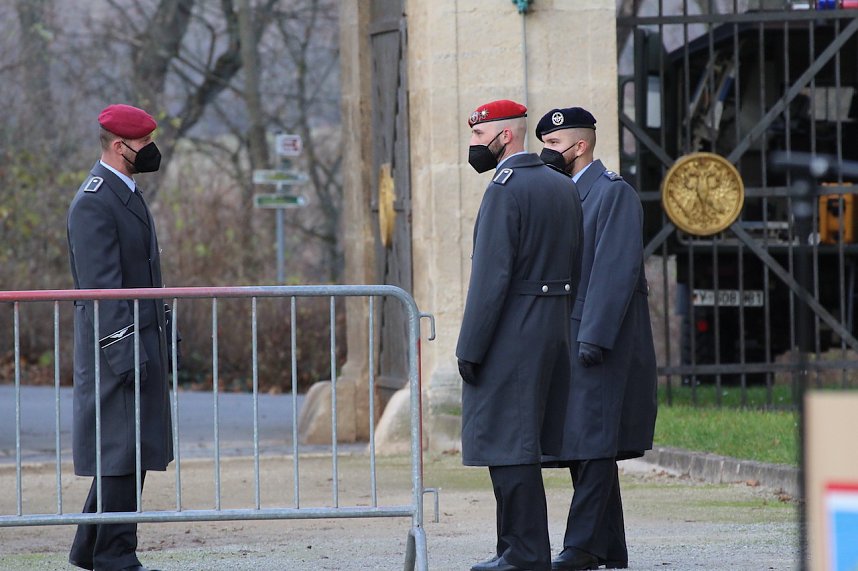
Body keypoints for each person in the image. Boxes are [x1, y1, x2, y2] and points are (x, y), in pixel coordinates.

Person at [457, 99, 584, 571]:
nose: (474, 146)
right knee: (524, 445)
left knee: (507, 446)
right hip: (553, 327)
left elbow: (490, 280)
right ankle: (518, 549)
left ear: (504, 136)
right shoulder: (561, 185)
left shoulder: (504, 189)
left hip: (511, 331)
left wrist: (469, 349)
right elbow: (576, 260)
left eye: (477, 137)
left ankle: (522, 552)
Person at [535, 107, 658, 571]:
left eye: (552, 145)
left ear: (578, 145)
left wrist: (595, 337)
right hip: (565, 336)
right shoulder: (560, 193)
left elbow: (615, 269)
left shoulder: (613, 194)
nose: (546, 154)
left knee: (593, 442)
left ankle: (582, 546)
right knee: (583, 441)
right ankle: (609, 547)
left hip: (599, 338)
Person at [67, 103, 173, 571]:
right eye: (144, 143)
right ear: (119, 146)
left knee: (130, 450)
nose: (152, 150)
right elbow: (102, 289)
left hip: (139, 341)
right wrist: (126, 353)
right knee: (120, 452)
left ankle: (90, 550)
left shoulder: (124, 191)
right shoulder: (95, 199)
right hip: (117, 347)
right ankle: (116, 556)